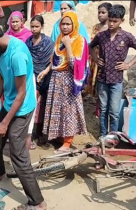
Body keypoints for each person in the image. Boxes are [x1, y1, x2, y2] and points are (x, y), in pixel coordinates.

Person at [0, 17, 47, 210]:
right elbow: (4, 80)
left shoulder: (17, 54)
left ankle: (38, 203)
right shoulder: (0, 51)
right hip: (10, 102)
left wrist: (5, 122)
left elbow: (21, 94)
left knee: (17, 151)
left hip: (22, 107)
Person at [44, 11, 88, 153]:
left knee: (69, 111)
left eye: (68, 24)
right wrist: (46, 71)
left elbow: (74, 65)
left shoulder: (80, 41)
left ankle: (68, 143)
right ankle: (60, 137)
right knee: (58, 110)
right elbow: (55, 59)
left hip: (70, 81)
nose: (65, 27)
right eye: (63, 24)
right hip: (57, 79)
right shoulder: (59, 38)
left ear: (74, 25)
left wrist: (68, 45)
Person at [90, 5, 136, 137]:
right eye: (110, 20)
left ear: (122, 20)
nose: (111, 23)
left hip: (117, 80)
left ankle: (114, 136)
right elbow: (90, 46)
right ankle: (103, 135)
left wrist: (128, 64)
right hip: (102, 78)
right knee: (103, 109)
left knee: (114, 111)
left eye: (114, 21)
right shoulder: (101, 36)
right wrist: (95, 58)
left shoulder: (126, 37)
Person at [25, 15, 55, 148]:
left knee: (46, 106)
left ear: (42, 27)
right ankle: (30, 135)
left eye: (37, 26)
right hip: (33, 77)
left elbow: (53, 60)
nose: (34, 29)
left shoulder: (48, 42)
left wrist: (45, 71)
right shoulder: (28, 42)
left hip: (47, 77)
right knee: (32, 106)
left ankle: (44, 136)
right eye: (32, 26)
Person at [84, 2, 112, 118]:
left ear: (109, 14)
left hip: (106, 60)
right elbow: (91, 43)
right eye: (99, 12)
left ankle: (101, 110)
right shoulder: (96, 27)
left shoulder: (111, 28)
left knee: (104, 85)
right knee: (95, 85)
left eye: (103, 12)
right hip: (95, 60)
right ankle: (98, 109)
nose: (100, 15)